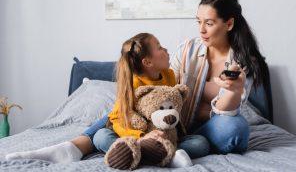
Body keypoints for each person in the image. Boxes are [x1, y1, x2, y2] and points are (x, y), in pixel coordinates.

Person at [5, 33, 209, 168]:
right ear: (147, 62)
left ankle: (148, 152)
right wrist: (141, 137)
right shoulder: (133, 83)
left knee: (200, 144)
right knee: (102, 136)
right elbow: (119, 119)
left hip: (163, 133)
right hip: (134, 131)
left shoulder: (170, 76)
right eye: (160, 48)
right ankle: (161, 154)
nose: (166, 50)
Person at [171, 0, 269, 154]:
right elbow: (165, 87)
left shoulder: (243, 62)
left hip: (212, 130)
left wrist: (234, 90)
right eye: (198, 22)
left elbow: (226, 111)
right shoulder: (187, 50)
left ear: (229, 24)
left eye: (209, 23)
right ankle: (185, 147)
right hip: (176, 127)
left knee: (236, 126)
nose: (201, 30)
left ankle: (186, 148)